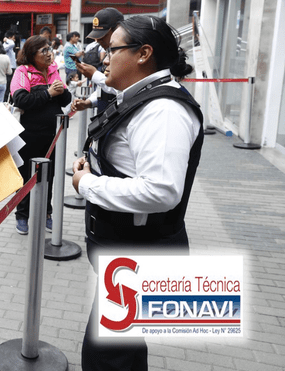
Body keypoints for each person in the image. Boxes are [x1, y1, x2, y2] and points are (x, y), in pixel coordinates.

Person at [71, 15, 203, 371]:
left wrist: (87, 184)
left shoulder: (163, 111)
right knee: (116, 349)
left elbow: (161, 191)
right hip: (130, 252)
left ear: (144, 54)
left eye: (112, 49)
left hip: (141, 255)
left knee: (109, 357)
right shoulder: (144, 97)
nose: (104, 58)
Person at [9, 35, 71, 235]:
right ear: (31, 54)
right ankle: (22, 216)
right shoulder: (23, 72)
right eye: (43, 50)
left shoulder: (53, 70)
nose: (48, 53)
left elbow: (65, 100)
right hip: (28, 136)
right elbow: (21, 100)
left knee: (49, 176)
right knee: (26, 176)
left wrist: (60, 92)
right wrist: (48, 93)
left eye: (49, 49)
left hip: (52, 137)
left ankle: (46, 214)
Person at [77, 7, 124, 113]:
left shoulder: (126, 55)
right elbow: (102, 89)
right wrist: (89, 102)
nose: (98, 40)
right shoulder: (108, 51)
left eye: (103, 36)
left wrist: (94, 75)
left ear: (118, 30)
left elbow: (123, 89)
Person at [3, 30, 17, 102]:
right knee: (8, 85)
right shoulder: (6, 44)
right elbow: (12, 44)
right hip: (9, 68)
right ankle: (5, 100)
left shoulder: (9, 45)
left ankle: (10, 100)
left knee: (12, 84)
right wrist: (7, 40)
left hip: (12, 67)